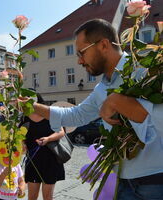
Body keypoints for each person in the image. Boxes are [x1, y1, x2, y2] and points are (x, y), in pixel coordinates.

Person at [20, 19, 163, 199]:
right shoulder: (102, 88)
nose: (79, 60)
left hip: (156, 180)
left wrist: (119, 101)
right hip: (123, 179)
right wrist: (31, 106)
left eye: (81, 52)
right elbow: (76, 115)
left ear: (103, 45)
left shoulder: (146, 69)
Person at [20, 92, 65, 200]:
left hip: (50, 160)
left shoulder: (49, 114)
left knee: (48, 197)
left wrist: (48, 139)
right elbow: (20, 135)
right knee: (32, 197)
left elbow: (61, 132)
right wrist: (22, 143)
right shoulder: (24, 118)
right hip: (33, 160)